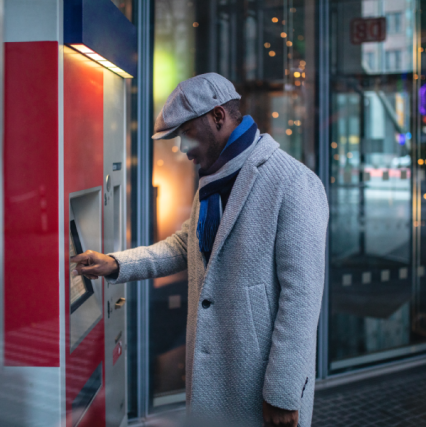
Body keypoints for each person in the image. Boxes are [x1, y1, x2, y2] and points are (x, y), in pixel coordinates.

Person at [71, 73, 328, 427]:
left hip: (261, 388)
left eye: (185, 134)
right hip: (216, 377)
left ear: (218, 117)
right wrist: (115, 263)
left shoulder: (294, 183)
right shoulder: (215, 181)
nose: (181, 149)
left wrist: (283, 392)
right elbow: (184, 245)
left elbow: (302, 300)